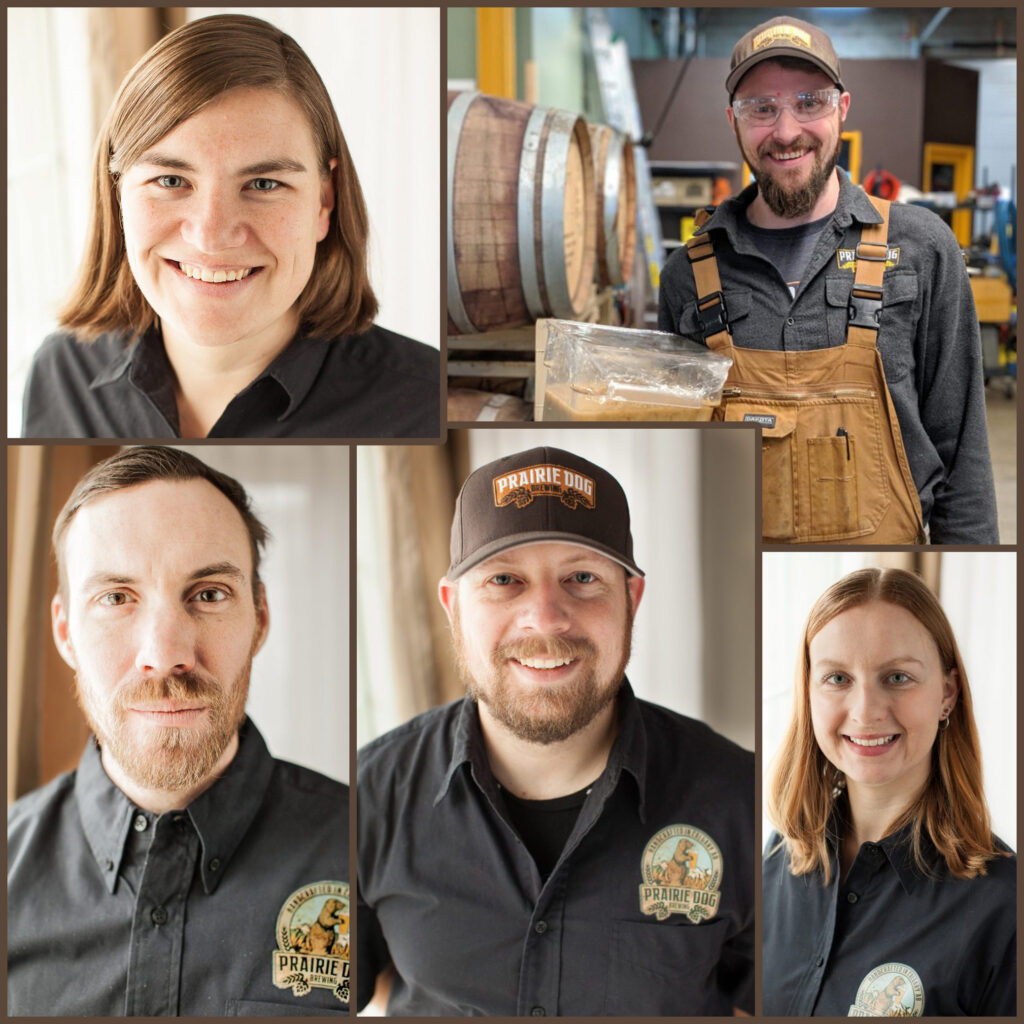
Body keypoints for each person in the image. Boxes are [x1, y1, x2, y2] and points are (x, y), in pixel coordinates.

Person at [357, 445, 754, 1016]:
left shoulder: (739, 798)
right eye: (504, 580)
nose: (545, 617)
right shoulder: (369, 794)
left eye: (582, 577)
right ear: (452, 608)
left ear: (631, 599)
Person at [7, 447, 349, 1015]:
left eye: (209, 594)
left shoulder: (366, 850)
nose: (165, 656)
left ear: (260, 619)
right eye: (116, 598)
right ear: (65, 633)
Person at [658, 16, 997, 544]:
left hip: (888, 583)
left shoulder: (922, 248)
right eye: (761, 108)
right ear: (733, 121)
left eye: (809, 102)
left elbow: (964, 458)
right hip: (750, 587)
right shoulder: (688, 274)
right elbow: (679, 467)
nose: (786, 130)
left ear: (842, 108)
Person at [21, 14, 438, 439]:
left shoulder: (427, 402)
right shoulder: (60, 374)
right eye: (170, 181)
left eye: (263, 183)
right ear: (117, 196)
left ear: (324, 201)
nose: (211, 236)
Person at [763, 568, 1015, 1016]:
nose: (865, 713)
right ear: (808, 692)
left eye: (897, 677)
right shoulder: (775, 860)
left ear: (947, 694)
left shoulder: (1005, 904)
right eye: (837, 679)